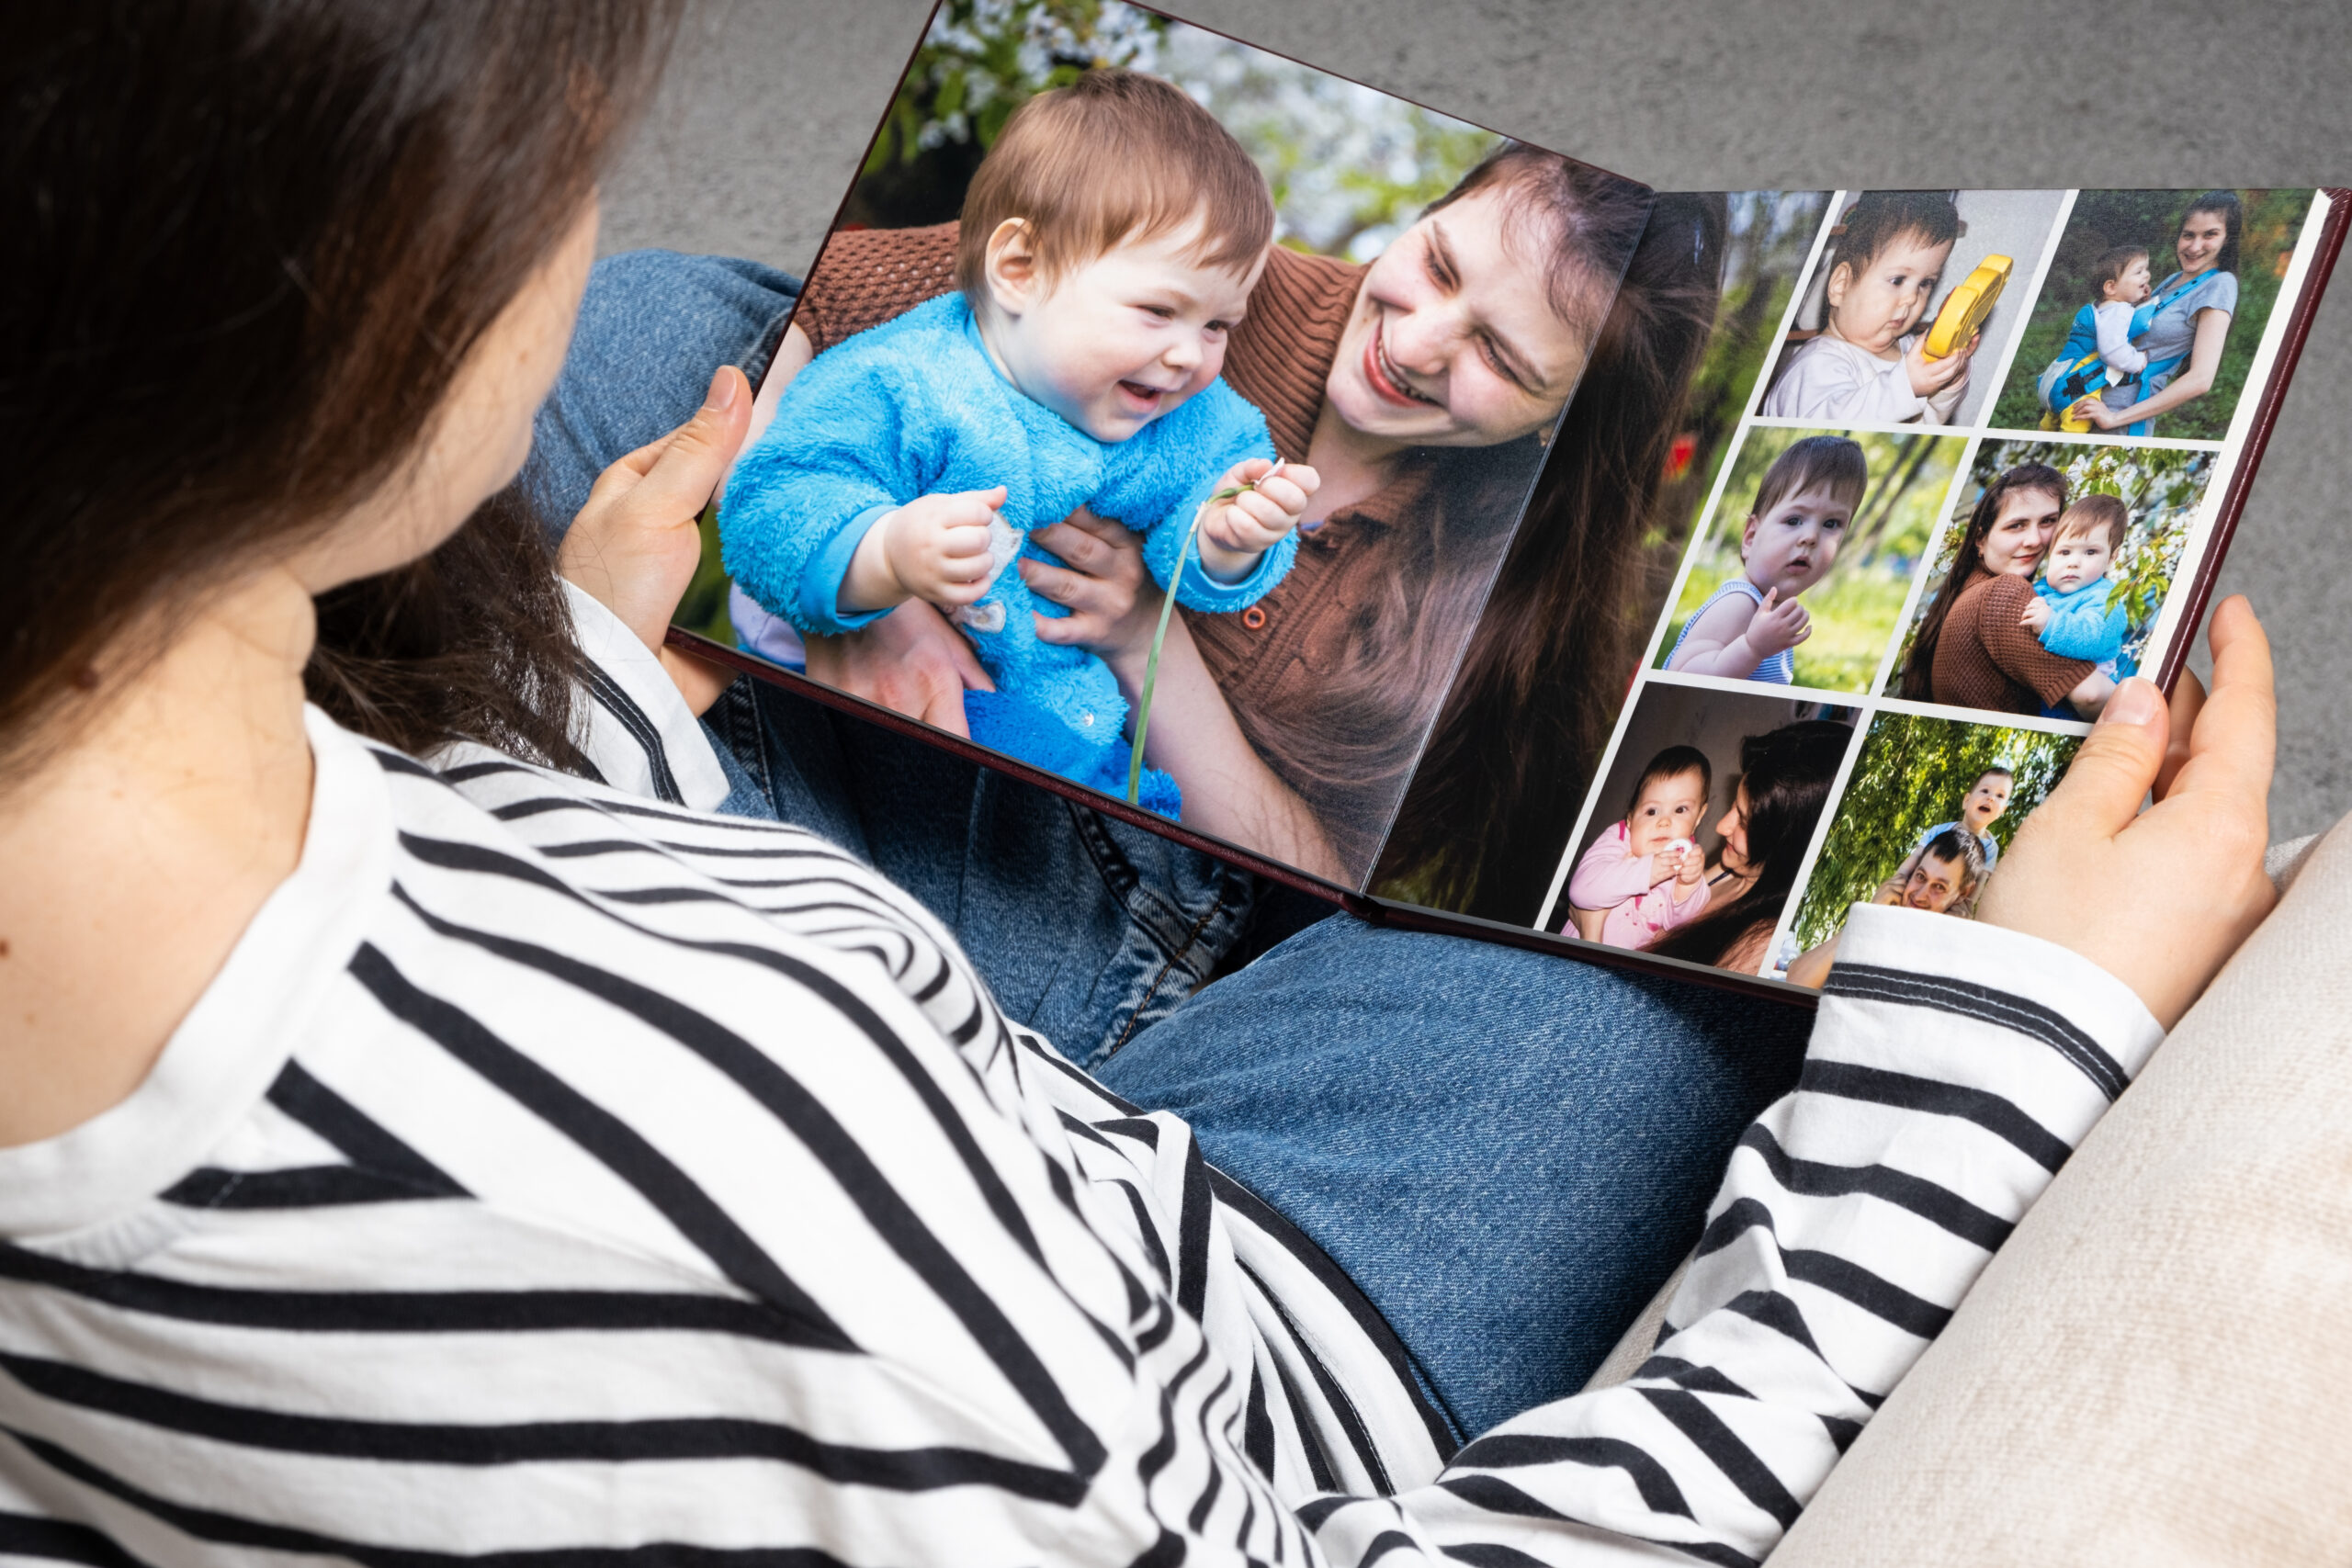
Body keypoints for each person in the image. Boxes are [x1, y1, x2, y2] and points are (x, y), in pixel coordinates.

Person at [0, 6, 2288, 1566]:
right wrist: (2006, 1050)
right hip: (1117, 1298)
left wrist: (597, 670)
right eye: (548, 167)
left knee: (673, 340)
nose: (1411, 341)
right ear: (342, 299)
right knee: (1670, 960)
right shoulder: (727, 1224)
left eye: (1500, 351)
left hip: (770, 928)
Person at [577, 162, 1720, 924]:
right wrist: (878, 587)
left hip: (1087, 880)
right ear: (1427, 211)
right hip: (845, 690)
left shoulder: (1499, 582)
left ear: (1562, 421)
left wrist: (1143, 636)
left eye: (1501, 361)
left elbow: (1315, 887)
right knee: (660, 309)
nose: (1415, 343)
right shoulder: (1224, 286)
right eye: (1434, 263)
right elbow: (840, 298)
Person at [718, 72, 1314, 816]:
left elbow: (1212, 487)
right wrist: (887, 552)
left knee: (1122, 808)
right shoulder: (904, 379)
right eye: (1160, 310)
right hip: (838, 711)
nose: (1191, 355)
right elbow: (773, 499)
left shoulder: (1178, 418)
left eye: (1219, 325)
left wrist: (1229, 538)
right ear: (1019, 271)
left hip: (1058, 724)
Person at [1899, 462, 2116, 716]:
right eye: (2017, 525)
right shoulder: (2002, 594)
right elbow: (2093, 695)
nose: (2035, 540)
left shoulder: (1970, 593)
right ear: (1981, 539)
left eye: (2048, 521)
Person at [1641, 720, 1852, 973]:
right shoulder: (1728, 869)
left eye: (1744, 822)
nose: (1721, 827)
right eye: (1734, 805)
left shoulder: (1760, 945)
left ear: (1788, 848)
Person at [1759, 189, 1979, 425]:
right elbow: (1827, 432)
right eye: (1898, 280)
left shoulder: (1909, 348)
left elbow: (1929, 424)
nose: (1912, 298)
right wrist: (1907, 384)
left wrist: (1948, 380)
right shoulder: (1815, 364)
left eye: (1925, 283)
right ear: (1841, 286)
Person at [1663, 434, 1866, 684]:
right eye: (1794, 521)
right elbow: (1679, 676)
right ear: (1750, 537)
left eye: (1831, 524)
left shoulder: (1770, 612)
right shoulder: (1740, 603)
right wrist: (1752, 648)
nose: (1811, 537)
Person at [2071, 192, 2245, 438]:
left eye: (2210, 235)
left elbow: (2201, 379)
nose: (2194, 247)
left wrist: (2114, 418)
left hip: (2119, 420)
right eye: (2188, 235)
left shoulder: (2220, 284)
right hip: (2086, 397)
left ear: (2228, 239)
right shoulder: (2174, 280)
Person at [1784, 829, 1986, 987]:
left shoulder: (1952, 959)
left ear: (1963, 893)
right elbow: (1796, 982)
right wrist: (1866, 918)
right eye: (1921, 876)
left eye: (1939, 887)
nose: (1920, 894)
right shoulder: (1873, 925)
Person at [1562, 744, 1712, 948]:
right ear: (1631, 819)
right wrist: (1648, 871)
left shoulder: (1686, 862)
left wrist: (1688, 886)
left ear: (1698, 818)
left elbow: (1678, 927)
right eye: (1652, 812)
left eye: (1680, 809)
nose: (1664, 822)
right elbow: (1580, 891)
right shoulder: (1621, 837)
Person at [2023, 493, 2132, 699]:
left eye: (2090, 552)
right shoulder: (2041, 590)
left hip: (2079, 706)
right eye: (2064, 552)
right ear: (2050, 553)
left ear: (2112, 558)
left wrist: (2051, 623)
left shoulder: (2107, 601)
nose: (2073, 562)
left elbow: (2093, 638)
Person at [2035, 244, 2152, 428]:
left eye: (2146, 270)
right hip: (2078, 389)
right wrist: (2137, 362)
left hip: (2056, 380)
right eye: (2138, 272)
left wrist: (2137, 297)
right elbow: (2112, 351)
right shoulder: (2119, 312)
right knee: (2074, 433)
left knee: (2047, 427)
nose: (2146, 275)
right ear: (2111, 287)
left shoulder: (2099, 308)